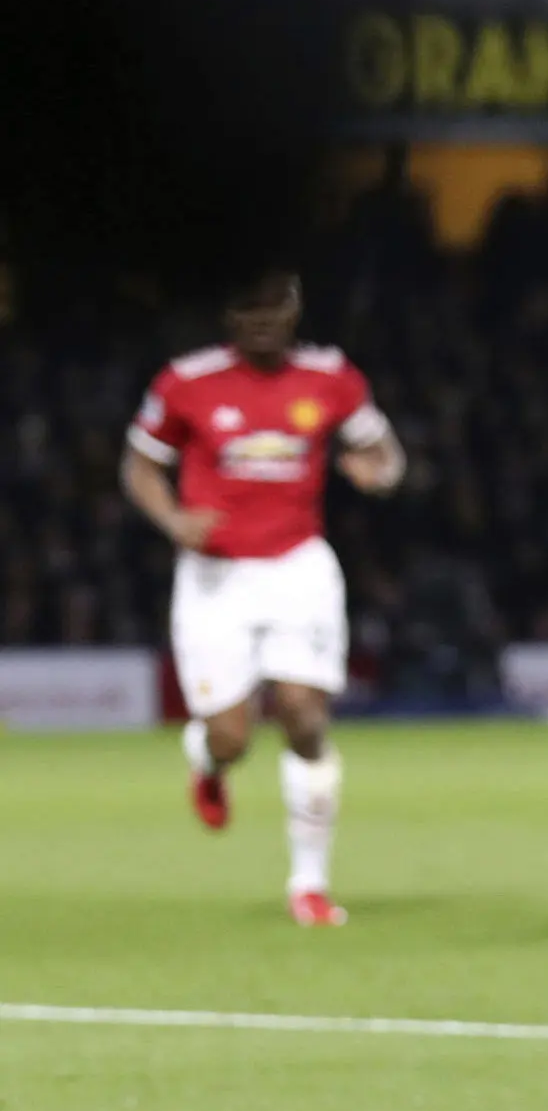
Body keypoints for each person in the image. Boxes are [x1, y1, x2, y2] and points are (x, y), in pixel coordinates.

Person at [122, 270, 405, 927]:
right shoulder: (185, 382)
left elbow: (385, 451)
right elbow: (139, 466)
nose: (262, 321)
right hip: (216, 576)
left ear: (294, 307)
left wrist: (379, 472)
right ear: (226, 315)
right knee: (231, 735)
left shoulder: (332, 376)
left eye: (273, 307)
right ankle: (208, 761)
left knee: (305, 716)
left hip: (297, 566)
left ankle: (309, 883)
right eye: (248, 310)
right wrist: (172, 520)